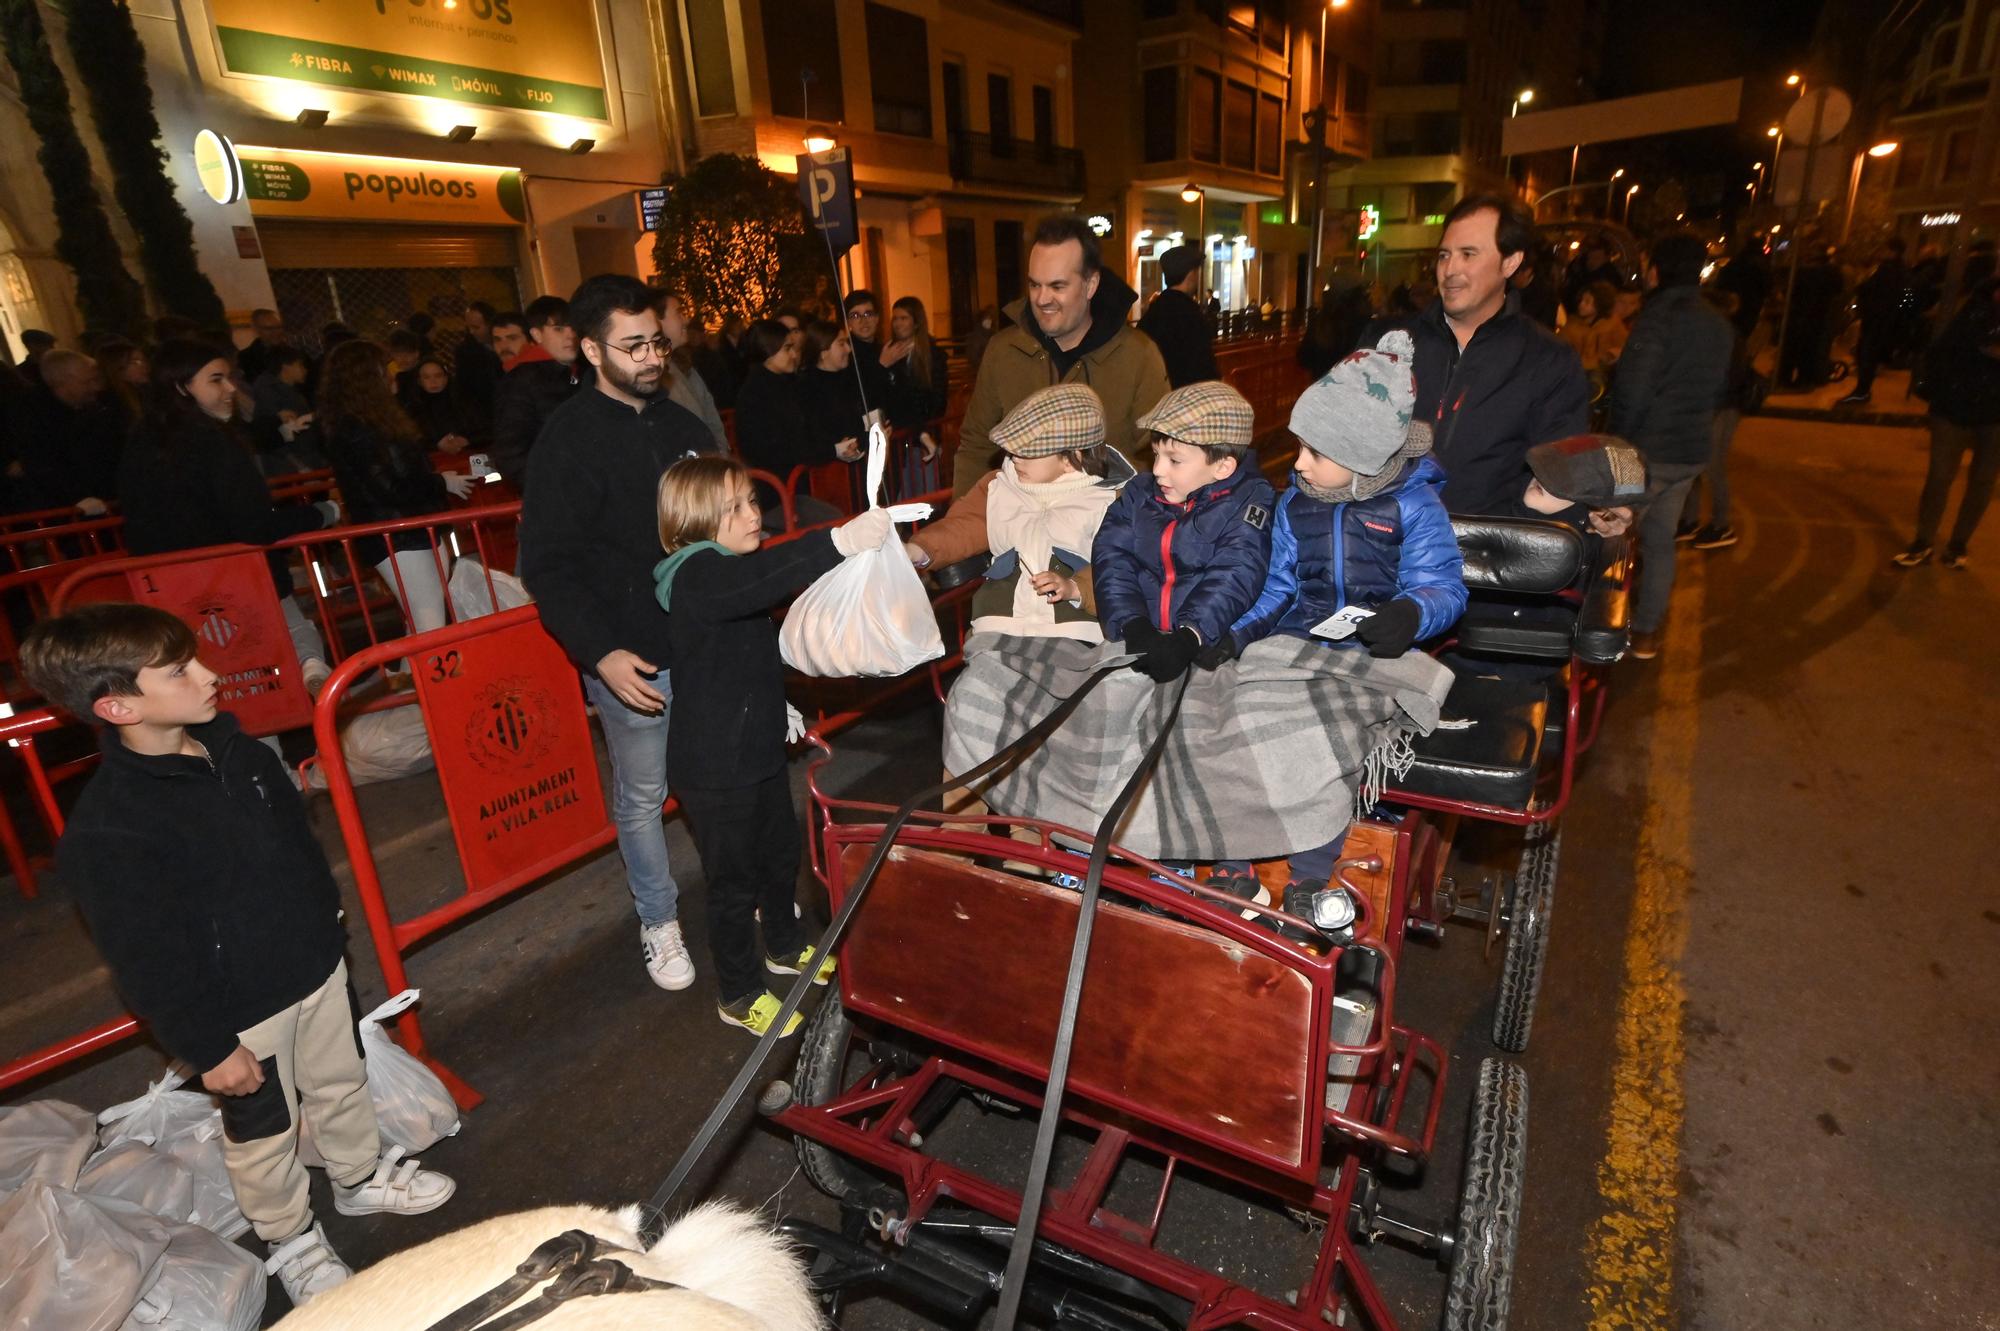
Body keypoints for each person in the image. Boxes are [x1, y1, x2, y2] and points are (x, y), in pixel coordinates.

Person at [19, 603, 456, 1308]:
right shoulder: (112, 828)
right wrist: (209, 1045)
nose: (210, 673)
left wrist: (329, 937)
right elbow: (146, 955)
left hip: (313, 966)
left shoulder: (238, 752)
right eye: (179, 669)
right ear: (117, 704)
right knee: (264, 1130)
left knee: (342, 1079)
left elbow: (300, 853)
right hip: (241, 1010)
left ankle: (358, 1175)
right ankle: (289, 1235)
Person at [1204, 331, 1467, 900]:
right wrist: (1238, 634)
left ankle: (1310, 874)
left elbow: (1442, 586)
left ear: (1361, 457)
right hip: (1302, 639)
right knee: (1243, 714)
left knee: (1334, 738)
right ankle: (1236, 857)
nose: (1297, 463)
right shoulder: (1297, 503)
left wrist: (1409, 613)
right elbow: (1278, 586)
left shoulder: (1413, 506)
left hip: (1376, 649)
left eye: (1313, 453)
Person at [519, 274, 720, 991]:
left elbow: (725, 525)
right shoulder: (566, 441)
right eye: (632, 346)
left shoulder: (682, 426)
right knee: (642, 795)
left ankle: (733, 895)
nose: (650, 357)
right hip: (631, 655)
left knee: (717, 778)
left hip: (705, 645)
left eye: (655, 342)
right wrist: (600, 653)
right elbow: (547, 563)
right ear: (589, 350)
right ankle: (658, 920)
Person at [651, 460, 895, 1034]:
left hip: (752, 744)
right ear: (696, 520)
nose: (753, 513)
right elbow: (764, 579)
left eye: (752, 500)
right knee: (732, 882)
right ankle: (737, 993)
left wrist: (774, 704)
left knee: (779, 855)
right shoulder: (696, 573)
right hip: (714, 765)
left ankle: (784, 948)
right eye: (734, 507)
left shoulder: (726, 570)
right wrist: (837, 540)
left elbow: (742, 651)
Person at [117, 339, 339, 694]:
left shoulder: (143, 441)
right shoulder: (212, 443)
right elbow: (254, 524)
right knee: (259, 675)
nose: (230, 388)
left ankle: (305, 671)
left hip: (175, 591)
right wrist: (323, 512)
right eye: (216, 379)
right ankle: (308, 669)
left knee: (223, 682)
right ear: (181, 387)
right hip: (236, 581)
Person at [1370, 194, 1592, 518]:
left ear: (1510, 263)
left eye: (1468, 254)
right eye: (1444, 255)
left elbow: (1560, 485)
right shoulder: (1390, 342)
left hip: (1481, 557)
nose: (1450, 269)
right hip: (1382, 551)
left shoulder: (1549, 362)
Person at [955, 214, 1170, 495]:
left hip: (1107, 531)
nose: (1042, 299)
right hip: (1020, 531)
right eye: (1034, 284)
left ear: (1090, 285)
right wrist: (963, 523)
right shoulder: (1003, 352)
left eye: (1057, 286)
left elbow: (1160, 453)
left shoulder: (1138, 356)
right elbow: (976, 447)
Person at [907, 383, 1133, 637]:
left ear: (1074, 459)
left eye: (1029, 452)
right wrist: (920, 549)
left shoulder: (1112, 500)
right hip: (997, 627)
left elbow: (1121, 567)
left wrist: (1076, 588)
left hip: (1075, 632)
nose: (1015, 458)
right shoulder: (999, 486)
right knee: (978, 677)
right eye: (1013, 449)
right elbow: (965, 524)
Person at [1092, 381, 1274, 681]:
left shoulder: (1248, 503)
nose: (1158, 470)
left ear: (1222, 467)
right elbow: (1112, 555)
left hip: (1206, 645)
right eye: (1156, 455)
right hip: (1141, 636)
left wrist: (1191, 635)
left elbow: (1236, 571)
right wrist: (1133, 624)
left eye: (1174, 460)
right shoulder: (1139, 494)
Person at [1607, 233, 1735, 660]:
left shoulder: (1657, 318)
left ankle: (1598, 629)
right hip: (1690, 450)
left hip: (1645, 452)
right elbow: (1719, 388)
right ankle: (1646, 632)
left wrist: (1616, 446)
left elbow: (1632, 389)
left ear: (1657, 270)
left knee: (1610, 535)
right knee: (1661, 539)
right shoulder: (1717, 322)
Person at [316, 341, 475, 642]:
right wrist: (441, 482)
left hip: (410, 530)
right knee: (428, 623)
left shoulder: (369, 422)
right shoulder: (358, 428)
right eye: (385, 369)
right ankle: (428, 687)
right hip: (399, 533)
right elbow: (390, 486)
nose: (393, 374)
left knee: (422, 620)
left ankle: (408, 683)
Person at [1897, 275, 2000, 569]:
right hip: (1953, 407)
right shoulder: (1972, 313)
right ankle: (1924, 541)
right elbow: (1945, 352)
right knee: (1939, 476)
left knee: (1982, 481)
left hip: (1995, 415)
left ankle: (1958, 543)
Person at [733, 318, 858, 526]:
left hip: (795, 489)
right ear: (768, 350)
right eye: (787, 348)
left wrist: (833, 447)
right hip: (776, 496)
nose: (794, 354)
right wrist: (832, 450)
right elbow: (779, 447)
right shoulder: (756, 394)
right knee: (835, 522)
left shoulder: (783, 386)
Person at [4, 348, 123, 513]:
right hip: (65, 511)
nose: (96, 387)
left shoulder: (98, 409)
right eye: (88, 382)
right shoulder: (32, 418)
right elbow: (44, 465)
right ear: (63, 382)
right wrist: (78, 498)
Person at [1679, 287, 1752, 550]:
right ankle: (1690, 520)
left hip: (1722, 407)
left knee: (1712, 466)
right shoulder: (1712, 334)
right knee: (1696, 464)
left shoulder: (1728, 336)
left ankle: (1722, 525)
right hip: (1708, 406)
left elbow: (1727, 379)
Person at [492, 294, 587, 488]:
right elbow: (510, 453)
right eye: (558, 329)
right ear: (537, 335)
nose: (570, 335)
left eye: (573, 327)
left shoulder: (583, 372)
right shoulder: (521, 381)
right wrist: (552, 488)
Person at [1840, 238, 1914, 406]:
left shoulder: (1885, 270)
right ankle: (1862, 390)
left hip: (1877, 319)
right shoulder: (1903, 271)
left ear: (1892, 251)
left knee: (1867, 355)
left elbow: (1867, 289)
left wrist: (1864, 298)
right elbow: (1907, 296)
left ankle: (1862, 392)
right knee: (1869, 355)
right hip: (1886, 319)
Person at [1139, 244, 1221, 388]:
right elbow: (1204, 366)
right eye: (1196, 272)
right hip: (1187, 398)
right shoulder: (1191, 315)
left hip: (1156, 396)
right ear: (1191, 274)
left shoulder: (1153, 311)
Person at [657, 292, 728, 451]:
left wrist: (720, 457)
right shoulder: (652, 376)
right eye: (679, 313)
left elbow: (711, 417)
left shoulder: (683, 366)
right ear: (656, 320)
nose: (686, 320)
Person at [881, 296, 945, 459]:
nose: (898, 323)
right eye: (895, 318)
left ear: (916, 322)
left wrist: (924, 425)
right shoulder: (888, 351)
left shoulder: (932, 354)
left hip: (926, 431)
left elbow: (939, 396)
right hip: (900, 434)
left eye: (904, 318)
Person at [404, 357, 483, 455]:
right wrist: (436, 444)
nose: (433, 381)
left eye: (438, 376)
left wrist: (467, 440)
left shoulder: (464, 401)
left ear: (446, 378)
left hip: (470, 456)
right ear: (419, 381)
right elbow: (408, 441)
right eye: (426, 377)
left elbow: (486, 431)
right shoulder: (413, 409)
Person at [839, 290, 893, 409]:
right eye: (855, 315)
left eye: (868, 314)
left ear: (877, 318)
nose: (863, 321)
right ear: (848, 322)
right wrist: (882, 367)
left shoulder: (885, 349)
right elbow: (856, 398)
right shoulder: (844, 353)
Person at [453, 300, 505, 415]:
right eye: (469, 327)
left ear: (490, 324)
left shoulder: (507, 343)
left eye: (476, 327)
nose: (471, 332)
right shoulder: (466, 352)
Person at [94, 338, 149, 421]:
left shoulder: (143, 393)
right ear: (116, 367)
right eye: (135, 362)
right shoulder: (111, 406)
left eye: (143, 360)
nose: (145, 365)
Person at [237, 308, 287, 383]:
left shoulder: (294, 354)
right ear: (256, 330)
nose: (277, 332)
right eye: (269, 328)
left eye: (279, 327)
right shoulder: (245, 358)